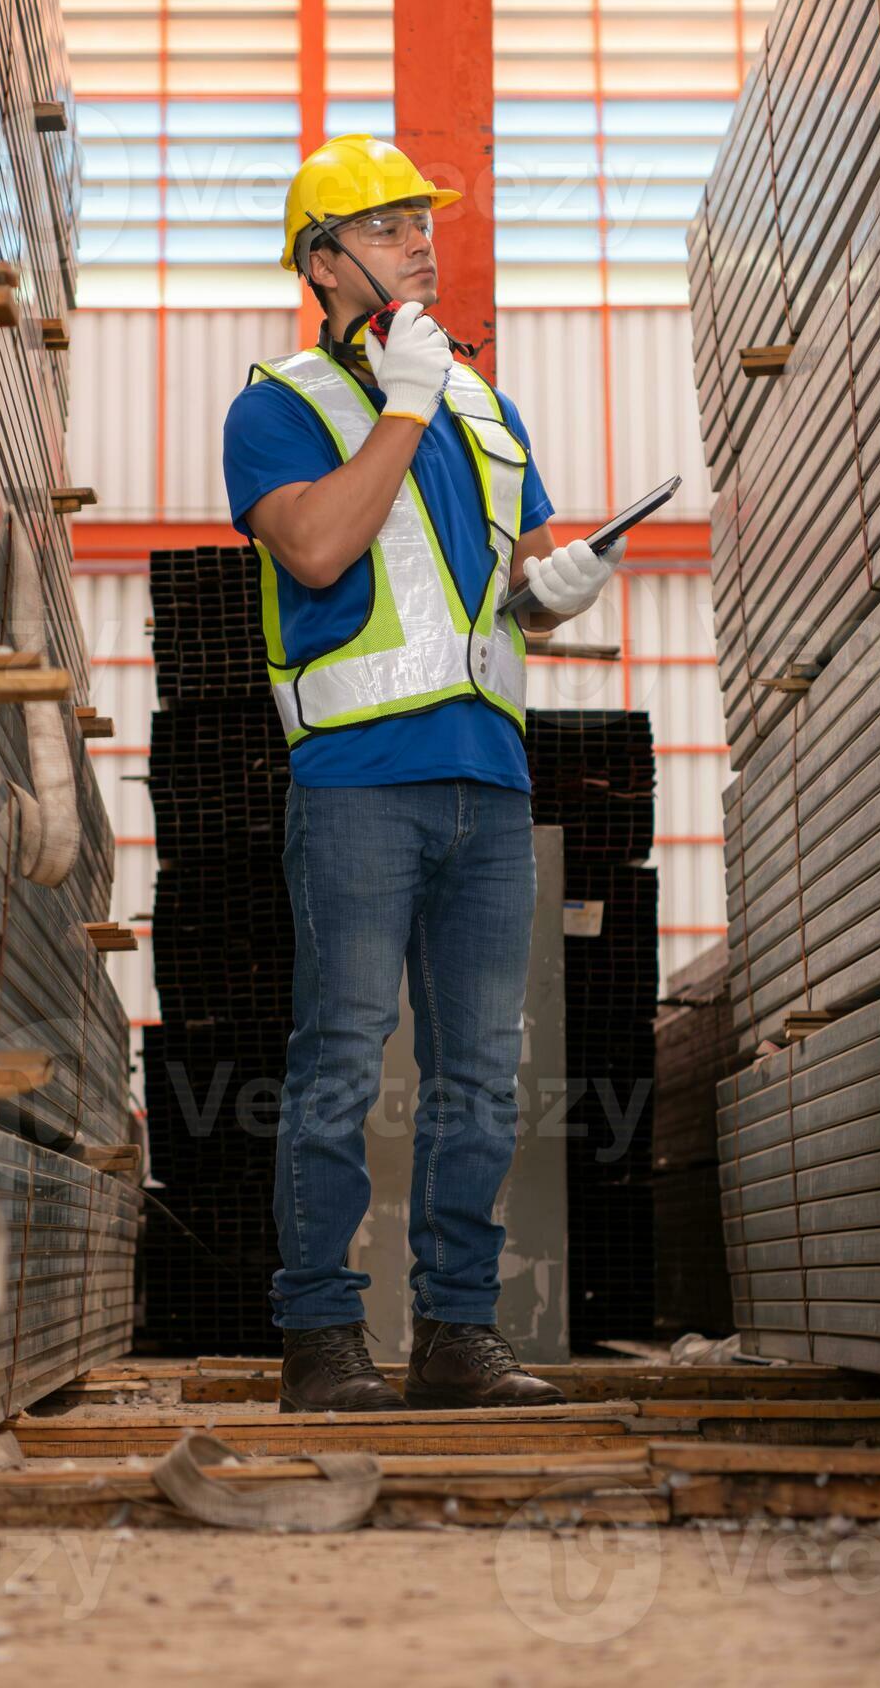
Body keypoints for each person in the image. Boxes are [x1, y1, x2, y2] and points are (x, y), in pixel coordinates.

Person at [223, 134, 623, 1413]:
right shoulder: (279, 403)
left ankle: (458, 1334)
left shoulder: (486, 409)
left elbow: (517, 585)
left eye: (423, 221)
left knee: (481, 1074)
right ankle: (321, 1341)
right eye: (392, 226)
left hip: (489, 781)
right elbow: (326, 550)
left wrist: (555, 589)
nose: (422, 241)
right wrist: (400, 401)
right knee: (341, 1056)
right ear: (325, 259)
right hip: (357, 780)